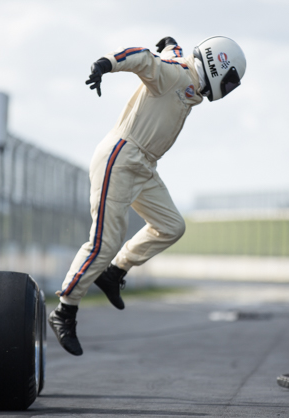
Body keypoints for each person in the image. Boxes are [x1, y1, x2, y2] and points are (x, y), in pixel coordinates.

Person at [48, 36, 247, 356]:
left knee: (171, 225)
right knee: (103, 242)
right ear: (217, 66)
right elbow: (143, 58)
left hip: (143, 167)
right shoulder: (176, 75)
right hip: (121, 158)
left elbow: (171, 51)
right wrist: (106, 64)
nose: (230, 86)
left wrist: (169, 41)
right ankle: (64, 311)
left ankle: (114, 273)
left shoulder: (189, 78)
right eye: (231, 79)